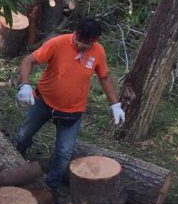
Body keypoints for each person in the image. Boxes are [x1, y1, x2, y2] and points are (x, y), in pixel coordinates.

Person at [14, 19, 126, 190]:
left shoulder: (98, 52)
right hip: (43, 102)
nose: (82, 45)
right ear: (76, 33)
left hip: (72, 110)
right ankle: (17, 157)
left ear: (94, 40)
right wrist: (25, 84)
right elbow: (29, 60)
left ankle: (51, 187)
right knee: (23, 135)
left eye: (87, 43)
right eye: (80, 40)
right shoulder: (58, 43)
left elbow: (104, 77)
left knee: (64, 153)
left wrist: (115, 104)